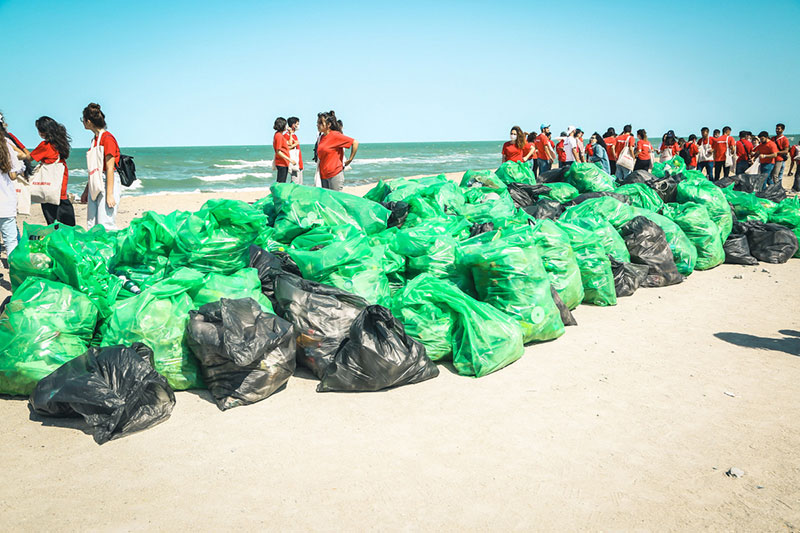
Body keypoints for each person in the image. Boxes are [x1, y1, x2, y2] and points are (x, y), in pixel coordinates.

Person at [17, 116, 76, 226]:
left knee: (52, 220)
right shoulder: (60, 143)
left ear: (43, 131)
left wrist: (17, 151)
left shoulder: (45, 145)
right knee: (66, 220)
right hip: (61, 183)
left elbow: (29, 157)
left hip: (50, 189)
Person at [80, 103, 121, 230]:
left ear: (88, 121)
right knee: (92, 223)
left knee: (105, 223)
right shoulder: (94, 140)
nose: (83, 123)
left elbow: (110, 168)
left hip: (107, 181)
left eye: (83, 120)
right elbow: (94, 168)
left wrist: (110, 194)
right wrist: (87, 190)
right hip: (95, 181)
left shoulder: (107, 139)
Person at [316, 110, 358, 191]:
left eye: (320, 123)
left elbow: (355, 143)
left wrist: (350, 159)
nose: (318, 125)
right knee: (326, 198)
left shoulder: (335, 135)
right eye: (317, 123)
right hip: (323, 175)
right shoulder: (321, 138)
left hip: (335, 174)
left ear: (328, 124)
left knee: (335, 198)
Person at [0, 130, 23, 256]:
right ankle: (13, 267)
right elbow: (14, 173)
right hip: (5, 202)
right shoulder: (6, 144)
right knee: (10, 241)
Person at [272, 117, 292, 183]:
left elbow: (289, 143)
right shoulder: (279, 136)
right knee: (281, 182)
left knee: (282, 181)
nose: (286, 126)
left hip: (284, 162)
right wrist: (290, 160)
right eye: (286, 125)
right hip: (281, 163)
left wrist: (290, 134)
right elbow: (278, 151)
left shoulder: (280, 135)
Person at [772, 123, 790, 189]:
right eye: (776, 129)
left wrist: (776, 152)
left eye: (778, 129)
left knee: (776, 175)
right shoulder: (773, 138)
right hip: (773, 159)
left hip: (779, 159)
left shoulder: (785, 139)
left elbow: (786, 151)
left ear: (782, 130)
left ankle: (778, 189)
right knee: (774, 175)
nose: (777, 130)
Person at [286, 116, 303, 184]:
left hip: (299, 163)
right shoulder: (287, 135)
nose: (298, 126)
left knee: (300, 184)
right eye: (297, 124)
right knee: (295, 183)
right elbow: (286, 148)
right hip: (294, 163)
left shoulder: (295, 136)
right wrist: (294, 144)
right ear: (293, 125)